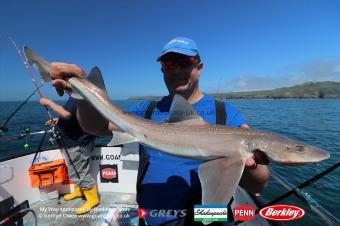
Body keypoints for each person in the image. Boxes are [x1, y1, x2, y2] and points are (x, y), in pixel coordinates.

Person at [48, 37, 269, 225]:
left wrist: (251, 164)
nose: (178, 69)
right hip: (150, 214)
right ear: (162, 69)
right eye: (169, 64)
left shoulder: (226, 113)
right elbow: (96, 127)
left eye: (186, 62)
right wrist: (82, 94)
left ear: (199, 68)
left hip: (207, 216)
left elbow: (257, 186)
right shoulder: (147, 109)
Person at [39, 97, 99, 215]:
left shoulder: (76, 96)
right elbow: (75, 116)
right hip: (80, 140)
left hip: (77, 143)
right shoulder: (81, 97)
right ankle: (79, 191)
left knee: (79, 173)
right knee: (77, 170)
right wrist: (59, 121)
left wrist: (48, 102)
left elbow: (66, 114)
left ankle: (93, 200)